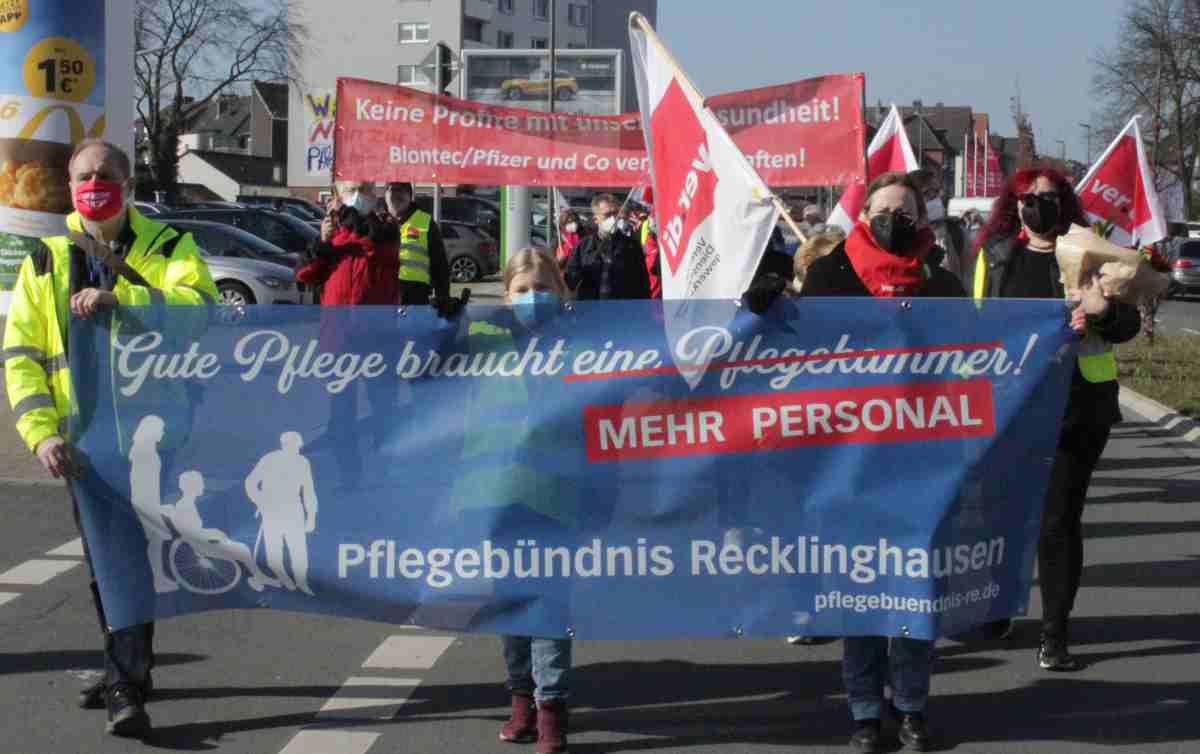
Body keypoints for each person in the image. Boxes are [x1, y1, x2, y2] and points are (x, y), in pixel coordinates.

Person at [2, 138, 216, 738]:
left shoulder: (171, 246)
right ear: (69, 188)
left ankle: (125, 675)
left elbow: (199, 309)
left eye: (105, 174)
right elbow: (21, 356)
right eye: (82, 176)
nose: (93, 184)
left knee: (133, 558)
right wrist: (41, 435)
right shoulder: (44, 259)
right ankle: (128, 669)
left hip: (156, 436)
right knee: (109, 559)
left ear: (128, 181)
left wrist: (124, 300)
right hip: (83, 441)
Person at [746, 172, 960, 752]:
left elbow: (977, 359)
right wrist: (766, 307)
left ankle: (911, 707)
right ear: (863, 214)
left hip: (918, 463)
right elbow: (795, 358)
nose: (895, 217)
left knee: (913, 595)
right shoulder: (828, 275)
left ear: (922, 219)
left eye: (906, 210)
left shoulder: (943, 285)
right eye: (884, 207)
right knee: (861, 596)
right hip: (846, 462)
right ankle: (865, 711)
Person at [972, 167, 1140, 670]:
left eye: (1048, 196)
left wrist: (1101, 311)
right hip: (1012, 406)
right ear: (1014, 204)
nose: (1037, 204)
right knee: (1005, 514)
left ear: (1065, 202)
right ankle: (999, 607)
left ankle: (1054, 632)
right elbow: (976, 323)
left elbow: (1127, 323)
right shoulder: (995, 257)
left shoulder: (1093, 252)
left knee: (1057, 519)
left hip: (1078, 406)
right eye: (1028, 197)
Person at [447, 247, 577, 753]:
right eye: (522, 289)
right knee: (512, 603)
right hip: (497, 494)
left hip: (557, 495)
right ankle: (521, 697)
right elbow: (421, 365)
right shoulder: (485, 337)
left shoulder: (585, 340)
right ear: (505, 294)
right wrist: (438, 322)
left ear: (562, 292)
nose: (532, 298)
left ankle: (551, 708)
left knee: (547, 604)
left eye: (543, 287)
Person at [162, 470, 277, 592]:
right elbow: (192, 533)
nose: (202, 486)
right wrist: (215, 533)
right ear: (191, 487)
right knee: (243, 550)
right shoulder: (185, 506)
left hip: (202, 543)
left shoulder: (186, 504)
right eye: (199, 483)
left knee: (242, 549)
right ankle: (258, 578)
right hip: (200, 548)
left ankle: (258, 577)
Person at [244, 431, 319, 595]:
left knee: (298, 549)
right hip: (272, 510)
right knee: (274, 549)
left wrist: (311, 516)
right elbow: (251, 482)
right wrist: (260, 500)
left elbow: (308, 491)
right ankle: (284, 579)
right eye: (293, 446)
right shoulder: (269, 459)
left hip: (294, 509)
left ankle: (301, 582)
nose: (297, 449)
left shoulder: (302, 462)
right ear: (284, 445)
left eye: (298, 446)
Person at [564, 193, 651, 300]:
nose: (613, 219)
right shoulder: (582, 247)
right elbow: (569, 283)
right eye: (608, 215)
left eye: (615, 214)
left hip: (622, 310)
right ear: (596, 219)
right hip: (592, 310)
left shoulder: (631, 246)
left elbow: (643, 285)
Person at [382, 181, 451, 306]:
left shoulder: (425, 221)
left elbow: (440, 264)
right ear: (385, 196)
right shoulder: (376, 222)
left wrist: (443, 297)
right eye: (392, 190)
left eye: (401, 191)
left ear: (410, 196)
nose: (396, 195)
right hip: (383, 295)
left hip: (415, 295)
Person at [912, 169, 966, 280]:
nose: (939, 196)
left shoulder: (955, 231)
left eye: (939, 191)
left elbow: (968, 277)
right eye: (929, 192)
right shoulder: (902, 236)